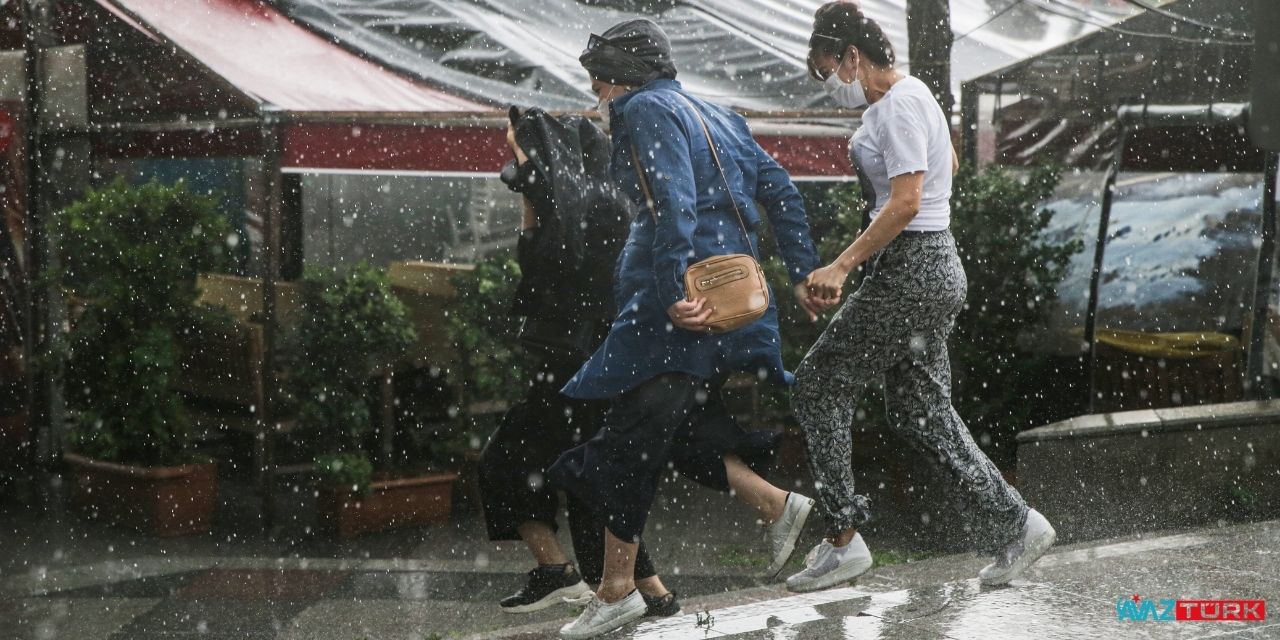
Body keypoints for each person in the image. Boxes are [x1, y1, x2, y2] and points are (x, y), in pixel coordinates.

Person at [549, 19, 833, 640]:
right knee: (672, 432)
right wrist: (802, 269)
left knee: (620, 441)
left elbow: (673, 200)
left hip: (672, 311)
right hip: (727, 301)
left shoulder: (645, 109)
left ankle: (619, 589)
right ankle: (780, 508)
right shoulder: (715, 111)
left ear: (617, 74)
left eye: (596, 75)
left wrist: (676, 287)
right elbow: (780, 189)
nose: (593, 88)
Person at [478, 107, 812, 622]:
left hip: (585, 362)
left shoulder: (583, 208)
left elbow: (539, 269)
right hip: (627, 353)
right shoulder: (611, 198)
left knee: (590, 468)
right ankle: (642, 583)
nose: (515, 164)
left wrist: (529, 180)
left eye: (520, 154)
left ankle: (609, 585)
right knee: (649, 449)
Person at [784, 2, 1056, 594]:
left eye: (830, 70)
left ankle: (842, 540)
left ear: (853, 56)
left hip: (912, 268)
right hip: (932, 266)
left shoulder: (897, 104)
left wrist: (841, 264)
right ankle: (1019, 525)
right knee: (918, 411)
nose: (831, 85)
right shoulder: (914, 96)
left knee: (817, 384)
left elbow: (907, 201)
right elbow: (948, 164)